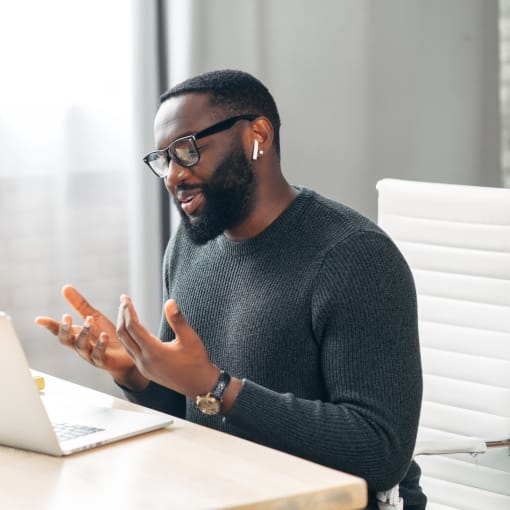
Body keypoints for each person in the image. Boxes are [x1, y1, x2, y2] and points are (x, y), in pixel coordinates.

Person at [36, 69, 426, 509]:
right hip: (226, 491)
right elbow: (192, 411)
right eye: (163, 159)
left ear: (256, 135)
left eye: (186, 150)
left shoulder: (354, 257)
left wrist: (216, 387)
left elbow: (380, 452)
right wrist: (138, 375)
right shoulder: (188, 247)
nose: (172, 176)